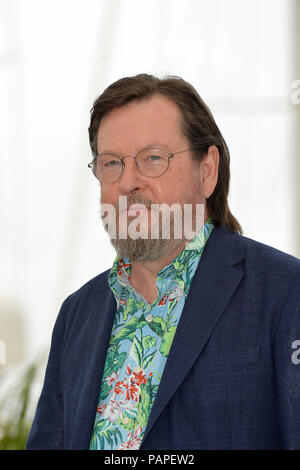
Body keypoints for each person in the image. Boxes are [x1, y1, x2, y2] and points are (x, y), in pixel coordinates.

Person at [26, 74, 300, 450]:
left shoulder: (286, 293)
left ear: (207, 171)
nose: (127, 183)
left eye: (152, 158)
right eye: (110, 164)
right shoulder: (76, 315)